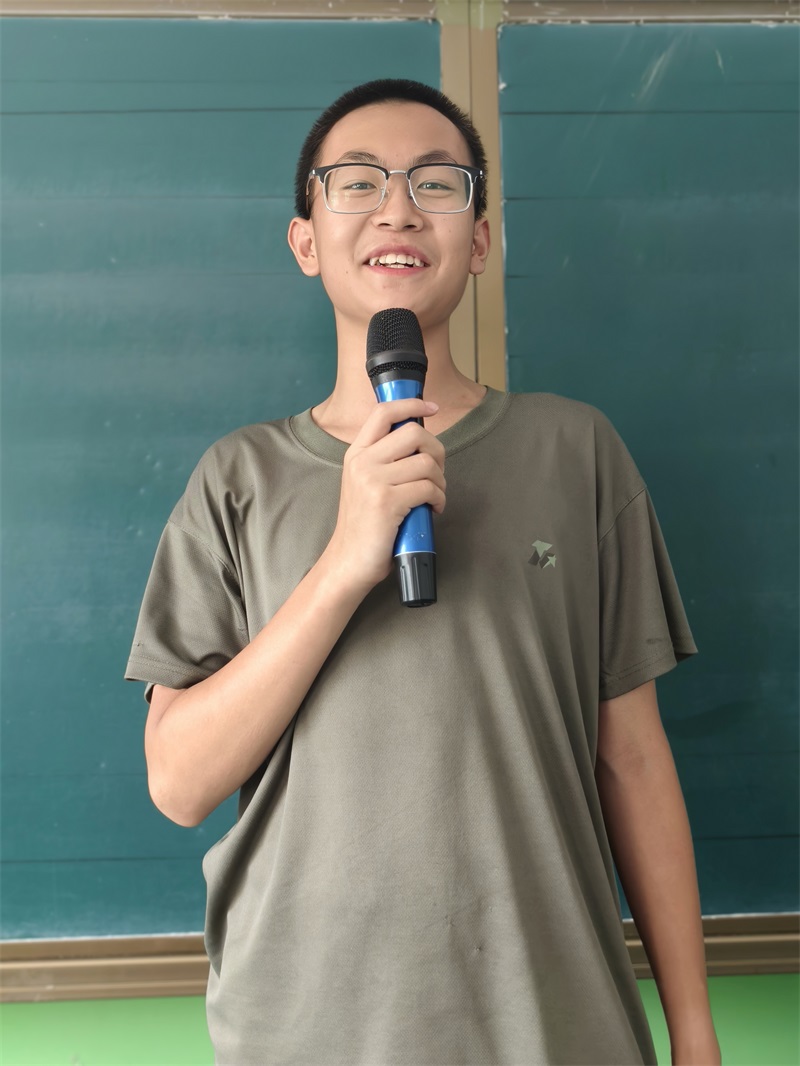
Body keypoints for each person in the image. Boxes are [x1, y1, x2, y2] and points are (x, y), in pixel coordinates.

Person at [125, 79, 721, 1066]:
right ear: (305, 240)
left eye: (436, 183)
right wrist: (344, 561)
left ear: (479, 240)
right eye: (357, 182)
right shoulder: (236, 479)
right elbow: (179, 782)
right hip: (306, 1029)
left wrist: (693, 1032)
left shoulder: (576, 451)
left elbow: (635, 760)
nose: (397, 208)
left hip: (554, 1021)